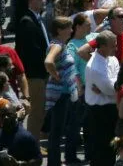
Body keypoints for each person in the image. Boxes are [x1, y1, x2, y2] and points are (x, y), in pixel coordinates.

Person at [15, 0, 49, 141]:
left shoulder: (36, 18)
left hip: (41, 72)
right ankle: (32, 144)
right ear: (31, 1)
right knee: (36, 112)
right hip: (35, 74)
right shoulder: (27, 22)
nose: (44, 1)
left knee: (41, 111)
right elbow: (31, 52)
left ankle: (35, 140)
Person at [43, 16, 78, 166]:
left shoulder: (60, 44)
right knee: (56, 132)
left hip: (64, 93)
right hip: (59, 95)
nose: (71, 30)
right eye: (68, 27)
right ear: (59, 30)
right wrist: (55, 75)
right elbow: (48, 61)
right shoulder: (57, 45)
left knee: (58, 130)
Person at [85, 31, 120, 166]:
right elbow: (111, 89)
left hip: (111, 109)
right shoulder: (94, 67)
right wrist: (110, 88)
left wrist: (109, 88)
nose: (115, 48)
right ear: (102, 46)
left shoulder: (113, 59)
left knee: (112, 147)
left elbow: (118, 83)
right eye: (112, 46)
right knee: (101, 149)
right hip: (99, 112)